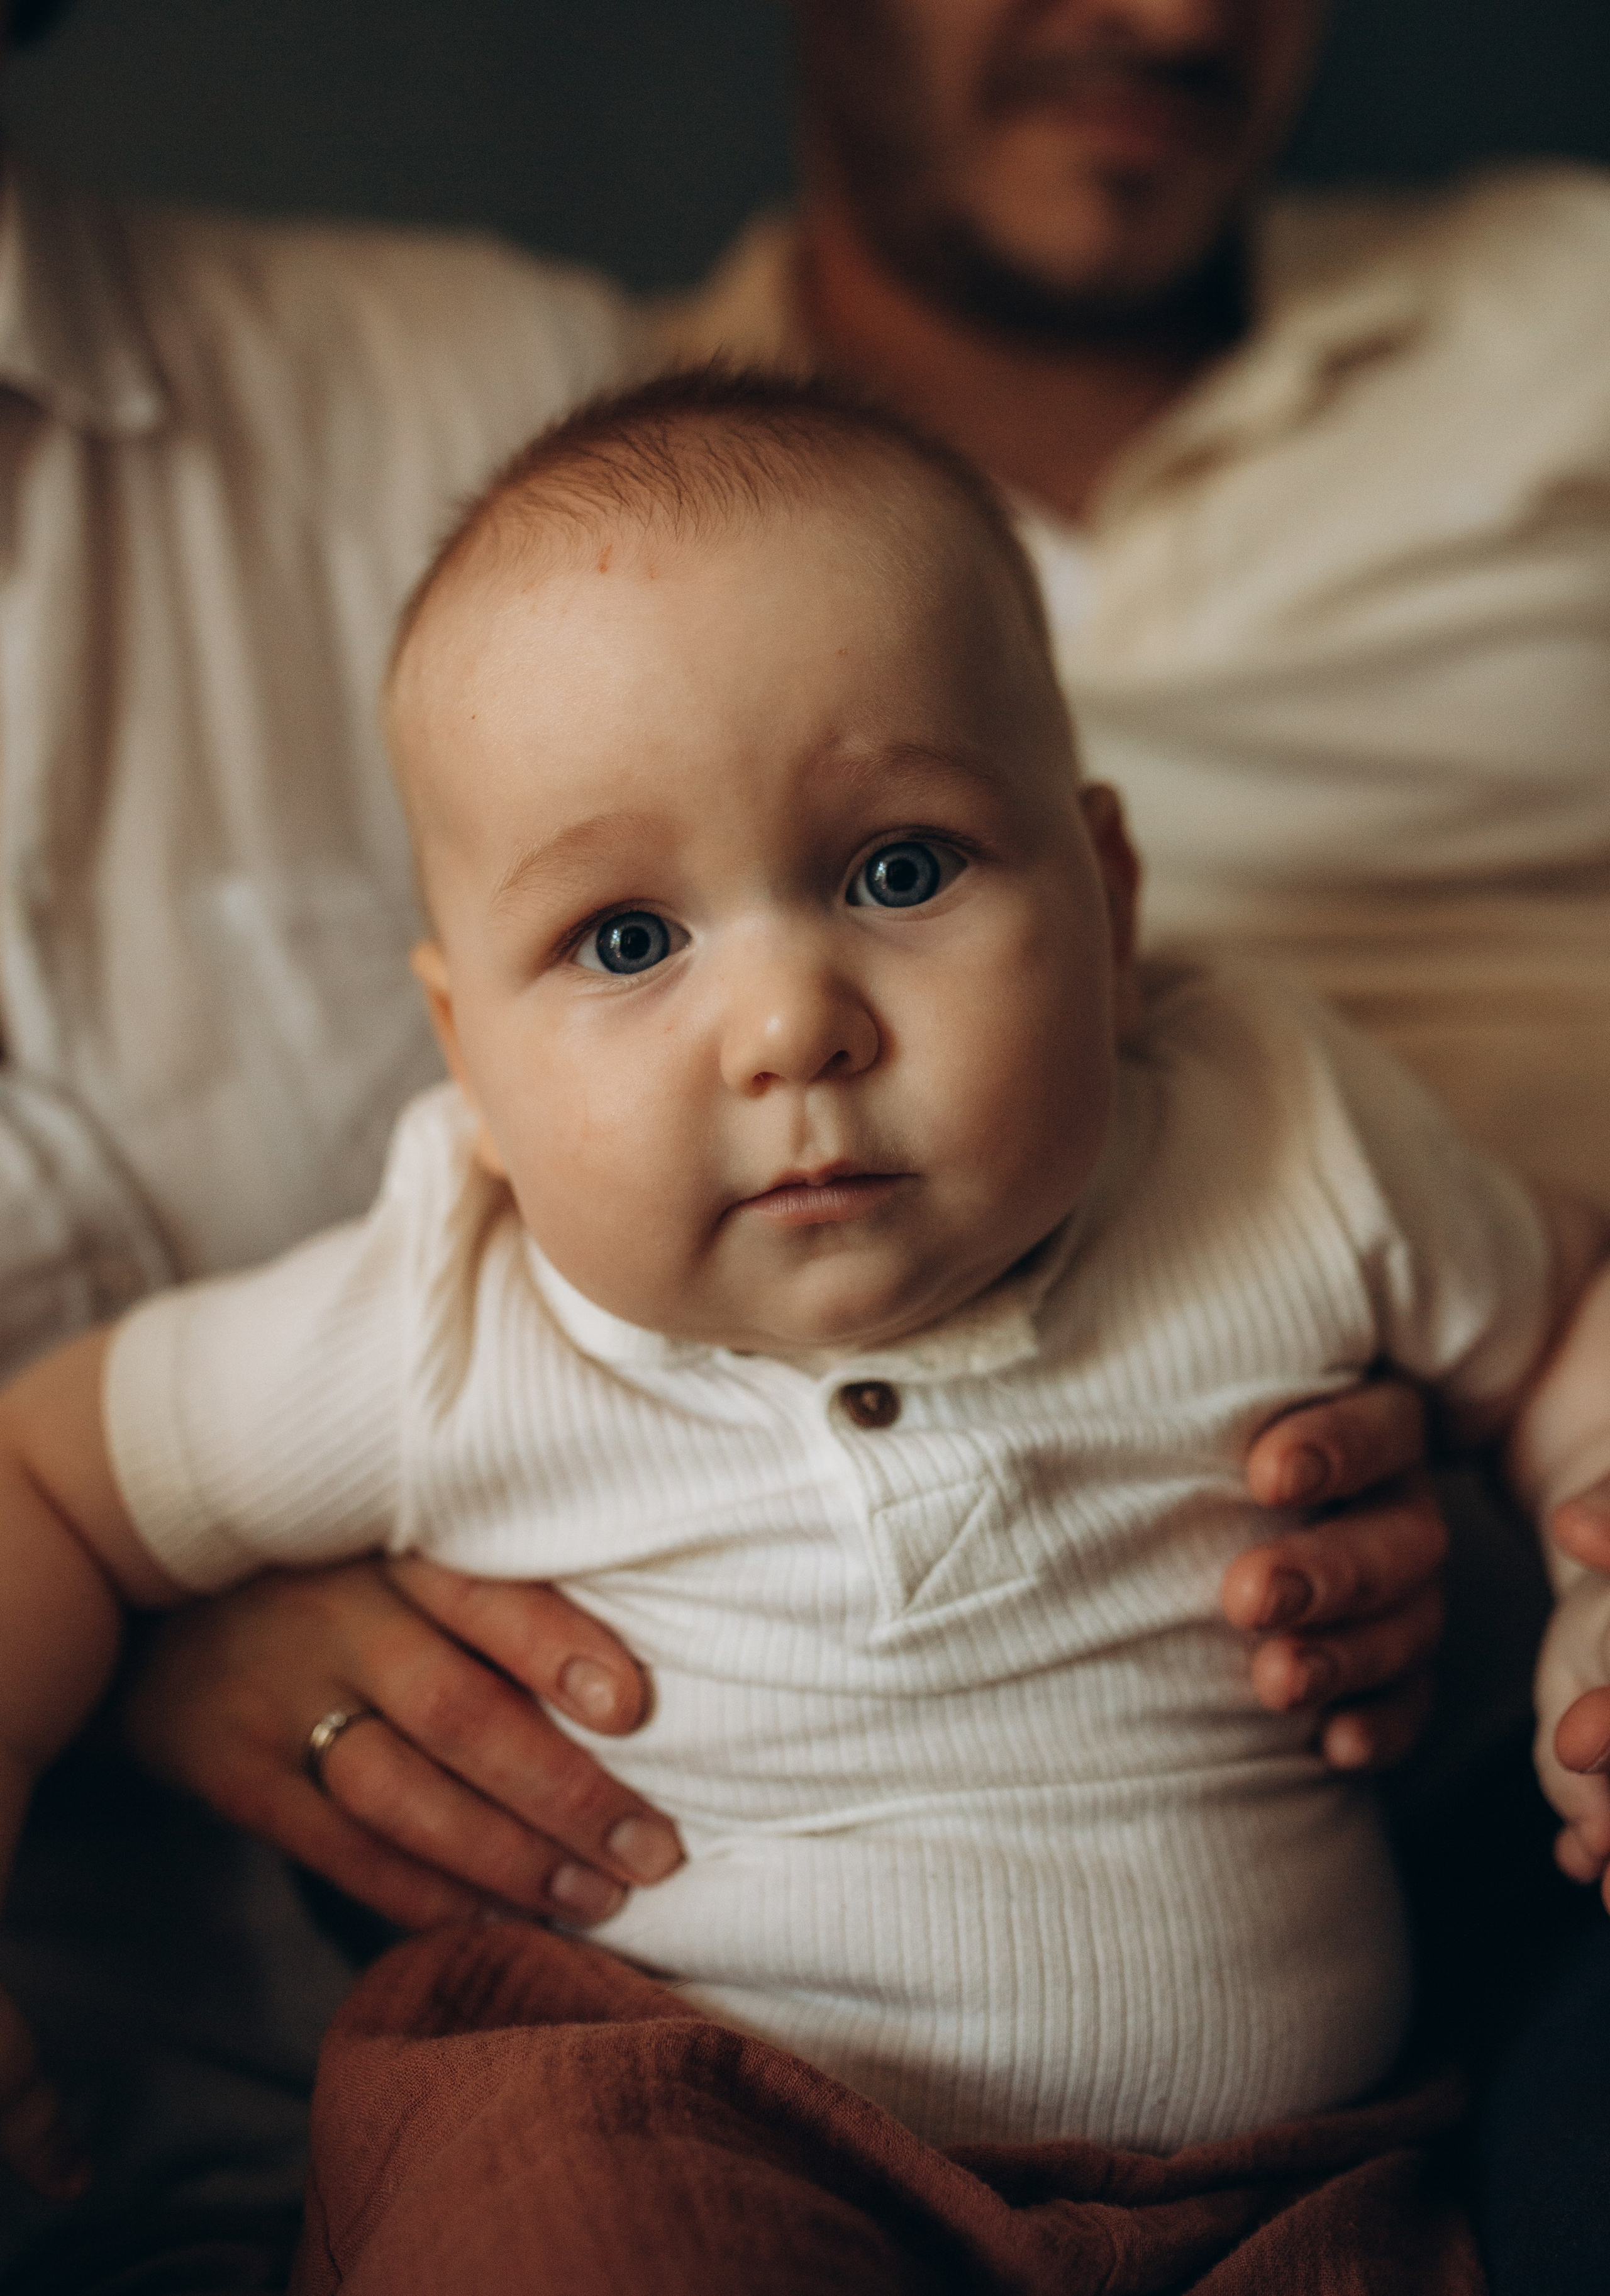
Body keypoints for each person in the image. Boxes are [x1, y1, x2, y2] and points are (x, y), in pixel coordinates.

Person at [0, 0, 1602, 2282]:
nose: (791, 1023)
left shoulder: (1271, 1125)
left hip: (1298, 2163)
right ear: (461, 1048)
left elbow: (1566, 1311)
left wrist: (1584, 1582)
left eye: (903, 873)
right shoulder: (445, 1292)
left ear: (1114, 895)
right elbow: (51, 1470)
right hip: (664, 2112)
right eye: (629, 935)